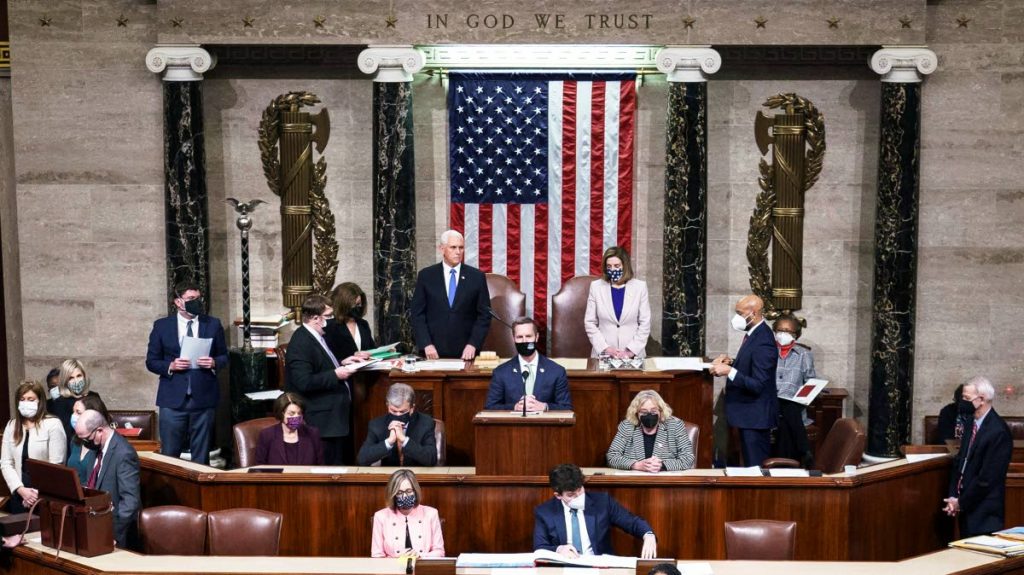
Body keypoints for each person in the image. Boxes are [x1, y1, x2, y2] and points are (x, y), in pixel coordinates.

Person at [145, 280, 228, 465]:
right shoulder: (162, 326)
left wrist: (214, 362)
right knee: (170, 456)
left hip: (203, 399)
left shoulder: (212, 324)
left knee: (201, 457)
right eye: (190, 298)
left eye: (198, 298)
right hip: (173, 400)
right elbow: (151, 361)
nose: (196, 302)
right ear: (178, 302)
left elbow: (224, 356)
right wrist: (171, 366)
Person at [285, 293, 365, 465]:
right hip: (322, 422)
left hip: (334, 419)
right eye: (328, 316)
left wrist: (342, 362)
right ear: (315, 318)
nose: (332, 320)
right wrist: (336, 374)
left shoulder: (318, 336)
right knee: (329, 469)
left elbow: (321, 364)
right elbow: (303, 381)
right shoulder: (301, 342)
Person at [709, 294, 777, 467]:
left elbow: (758, 384)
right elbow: (753, 365)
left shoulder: (764, 341)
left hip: (754, 418)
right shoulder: (754, 334)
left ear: (753, 314)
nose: (736, 317)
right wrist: (732, 362)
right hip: (747, 415)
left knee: (755, 468)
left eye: (739, 313)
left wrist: (729, 371)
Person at [534, 464, 656, 558]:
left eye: (580, 490)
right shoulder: (545, 512)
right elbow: (540, 547)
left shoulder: (602, 502)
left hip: (599, 567)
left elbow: (632, 522)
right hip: (565, 568)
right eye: (571, 495)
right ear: (558, 495)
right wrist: (559, 549)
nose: (578, 497)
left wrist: (648, 535)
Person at [943, 377, 1013, 538]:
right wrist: (954, 496)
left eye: (967, 398)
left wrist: (961, 503)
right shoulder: (970, 423)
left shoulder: (998, 432)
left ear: (981, 399)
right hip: (965, 506)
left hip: (984, 514)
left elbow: (987, 479)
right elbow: (961, 462)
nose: (962, 402)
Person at [410, 229, 491, 360]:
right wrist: (426, 343)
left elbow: (484, 315)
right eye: (453, 247)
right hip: (432, 352)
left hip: (467, 352)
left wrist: (473, 344)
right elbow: (417, 313)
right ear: (442, 249)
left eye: (461, 248)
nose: (458, 252)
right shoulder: (426, 276)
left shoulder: (476, 277)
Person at [74, 409, 141, 549]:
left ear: (99, 431)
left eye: (87, 439)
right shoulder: (95, 450)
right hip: (96, 525)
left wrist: (113, 534)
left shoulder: (124, 453)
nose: (86, 443)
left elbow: (130, 502)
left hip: (118, 535)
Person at [0, 381, 67, 513]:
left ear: (39, 401)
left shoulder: (53, 424)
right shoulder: (12, 425)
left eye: (31, 399)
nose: (26, 403)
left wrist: (36, 494)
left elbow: (57, 464)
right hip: (19, 493)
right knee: (18, 532)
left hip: (44, 496)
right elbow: (6, 463)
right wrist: (20, 490)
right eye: (22, 399)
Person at [485, 317, 572, 412]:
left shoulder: (556, 371)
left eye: (528, 336)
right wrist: (514, 407)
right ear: (513, 338)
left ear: (537, 337)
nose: (524, 341)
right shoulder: (501, 372)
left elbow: (566, 407)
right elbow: (490, 407)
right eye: (519, 337)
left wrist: (545, 407)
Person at [584, 246, 651, 359]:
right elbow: (589, 322)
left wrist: (630, 351)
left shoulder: (640, 287)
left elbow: (645, 323)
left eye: (617, 266)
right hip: (604, 355)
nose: (613, 270)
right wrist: (605, 348)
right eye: (609, 266)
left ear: (625, 266)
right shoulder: (596, 287)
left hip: (633, 356)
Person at [606, 389, 695, 472]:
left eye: (653, 411)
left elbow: (688, 458)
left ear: (661, 411)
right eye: (644, 412)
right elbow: (612, 457)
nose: (649, 415)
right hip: (634, 482)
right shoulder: (627, 426)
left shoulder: (675, 425)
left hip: (665, 482)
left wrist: (661, 465)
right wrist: (636, 465)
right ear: (636, 413)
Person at [772, 313, 817, 467]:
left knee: (786, 417)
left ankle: (780, 467)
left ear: (796, 335)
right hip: (770, 404)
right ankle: (804, 450)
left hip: (794, 405)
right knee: (786, 408)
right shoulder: (767, 351)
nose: (783, 334)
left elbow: (811, 381)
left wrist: (808, 393)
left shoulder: (804, 354)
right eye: (780, 330)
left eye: (788, 331)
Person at [358, 383, 438, 467]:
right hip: (388, 476)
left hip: (417, 475)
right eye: (394, 411)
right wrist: (389, 441)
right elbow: (362, 460)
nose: (398, 415)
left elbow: (431, 459)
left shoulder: (425, 423)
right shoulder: (377, 425)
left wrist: (404, 440)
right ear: (388, 406)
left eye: (403, 412)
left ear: (412, 408)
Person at [371, 469, 445, 558]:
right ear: (393, 494)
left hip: (422, 568)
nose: (405, 496)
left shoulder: (431, 513)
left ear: (415, 491)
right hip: (392, 569)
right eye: (399, 492)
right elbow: (377, 556)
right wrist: (396, 559)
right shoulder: (380, 516)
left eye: (409, 491)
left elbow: (439, 552)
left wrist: (420, 556)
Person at [254, 392, 324, 466]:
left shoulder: (312, 434)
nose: (296, 417)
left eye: (299, 413)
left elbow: (320, 466)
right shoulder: (267, 435)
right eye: (291, 414)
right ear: (281, 414)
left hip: (306, 477)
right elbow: (260, 467)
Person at [48, 358, 100, 449]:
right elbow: (64, 434)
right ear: (65, 381)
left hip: (96, 446)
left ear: (84, 376)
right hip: (73, 449)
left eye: (79, 376)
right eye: (71, 378)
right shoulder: (61, 402)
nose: (76, 380)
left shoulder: (94, 397)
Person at [66, 395, 113, 485]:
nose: (73, 416)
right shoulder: (75, 441)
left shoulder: (105, 444)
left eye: (78, 413)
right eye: (73, 412)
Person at [325, 282, 376, 360]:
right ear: (343, 304)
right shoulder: (329, 326)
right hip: (343, 370)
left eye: (359, 304)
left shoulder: (363, 324)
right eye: (355, 305)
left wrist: (386, 352)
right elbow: (328, 358)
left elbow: (372, 350)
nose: (358, 307)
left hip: (366, 370)